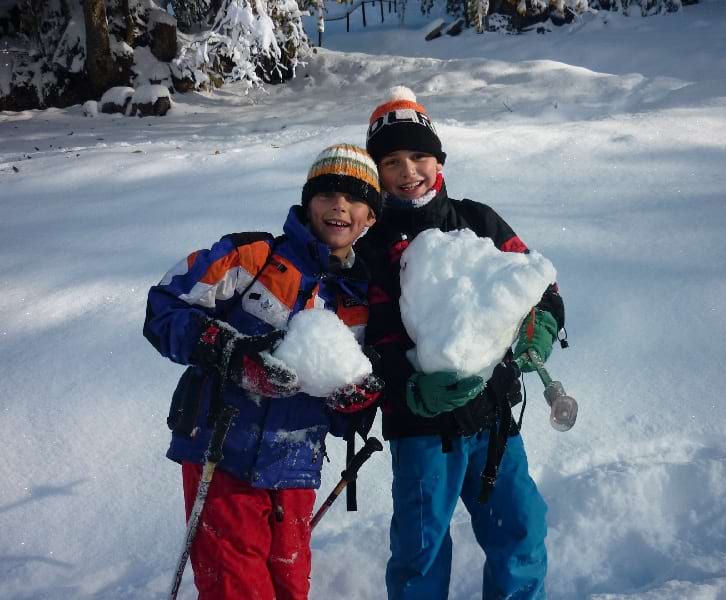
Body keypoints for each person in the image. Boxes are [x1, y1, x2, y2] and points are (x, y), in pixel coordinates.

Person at [143, 144, 384, 600]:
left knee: (290, 585)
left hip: (295, 466)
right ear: (307, 200)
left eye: (354, 199)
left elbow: (340, 408)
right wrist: (233, 354)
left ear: (370, 218)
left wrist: (354, 405)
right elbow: (163, 309)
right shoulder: (251, 258)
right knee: (237, 588)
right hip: (221, 451)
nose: (339, 206)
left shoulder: (357, 301)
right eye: (327, 193)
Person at [358, 86, 566, 600]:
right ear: (376, 172)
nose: (409, 172)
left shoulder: (477, 220)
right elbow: (369, 342)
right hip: (421, 431)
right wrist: (408, 389)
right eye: (392, 161)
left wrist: (541, 324)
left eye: (419, 156)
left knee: (520, 529)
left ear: (438, 159)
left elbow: (539, 284)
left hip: (493, 417)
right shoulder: (373, 246)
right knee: (419, 551)